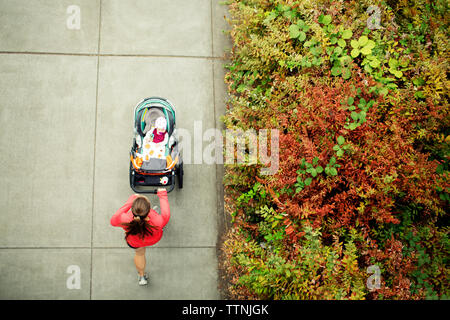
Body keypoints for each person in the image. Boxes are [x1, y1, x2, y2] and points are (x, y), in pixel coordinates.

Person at [110, 188, 170, 285]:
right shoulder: (158, 221)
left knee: (140, 254)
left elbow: (113, 220)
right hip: (153, 239)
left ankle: (142, 276)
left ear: (133, 210)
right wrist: (162, 193)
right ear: (148, 209)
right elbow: (166, 213)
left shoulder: (125, 219)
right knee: (159, 219)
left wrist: (131, 200)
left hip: (135, 242)